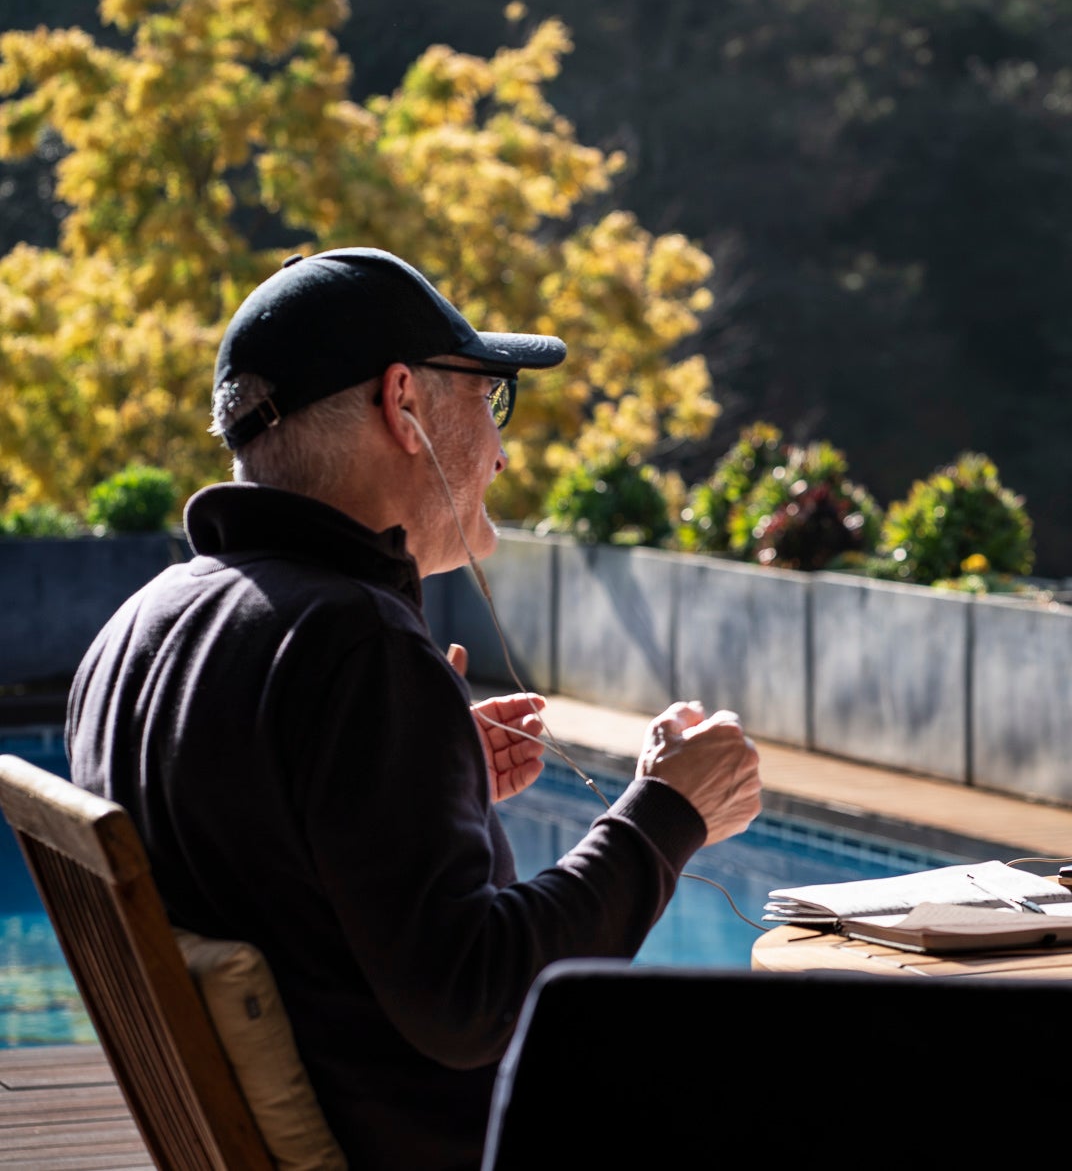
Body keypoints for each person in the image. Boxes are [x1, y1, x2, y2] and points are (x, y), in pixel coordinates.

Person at [66, 247, 762, 1170]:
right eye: (488, 397)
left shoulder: (137, 630)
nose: (502, 453)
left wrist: (422, 773)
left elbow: (267, 854)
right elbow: (473, 999)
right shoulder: (354, 643)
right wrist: (666, 813)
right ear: (403, 404)